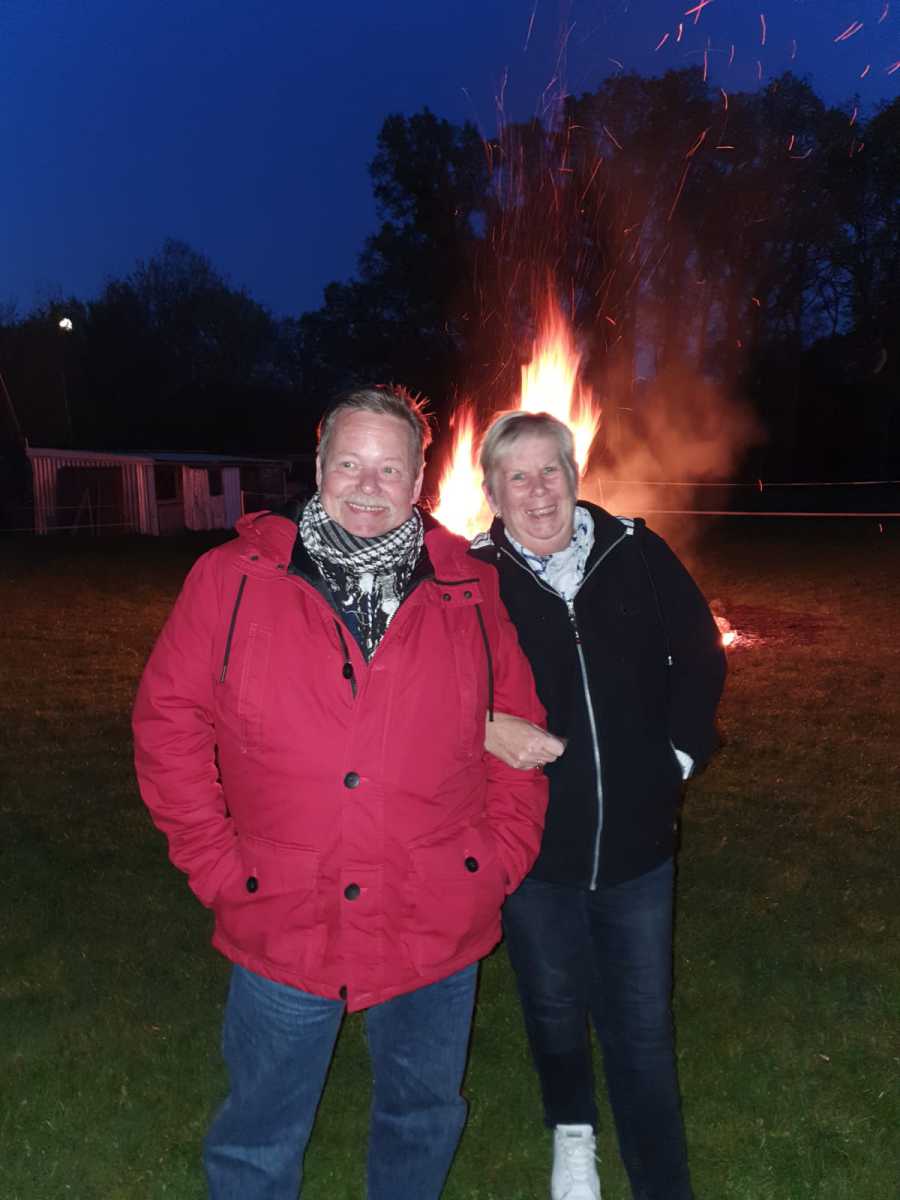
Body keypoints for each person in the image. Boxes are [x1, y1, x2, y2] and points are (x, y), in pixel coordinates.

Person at [132, 387, 548, 1200]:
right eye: (350, 463)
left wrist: (497, 861)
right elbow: (167, 724)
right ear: (318, 467)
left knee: (422, 1115)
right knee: (258, 1134)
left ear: (419, 480)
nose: (368, 484)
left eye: (389, 468)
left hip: (434, 909)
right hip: (284, 909)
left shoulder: (469, 589)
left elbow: (518, 734)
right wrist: (215, 863)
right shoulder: (232, 579)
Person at [472, 410, 726, 1200]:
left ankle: (661, 1182)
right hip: (534, 848)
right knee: (553, 1008)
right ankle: (573, 1136)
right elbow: (427, 691)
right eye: (517, 476)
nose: (537, 490)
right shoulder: (470, 579)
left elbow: (701, 652)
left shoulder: (636, 551)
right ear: (493, 492)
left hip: (638, 847)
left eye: (550, 470)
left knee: (642, 1028)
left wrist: (677, 757)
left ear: (574, 475)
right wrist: (482, 727)